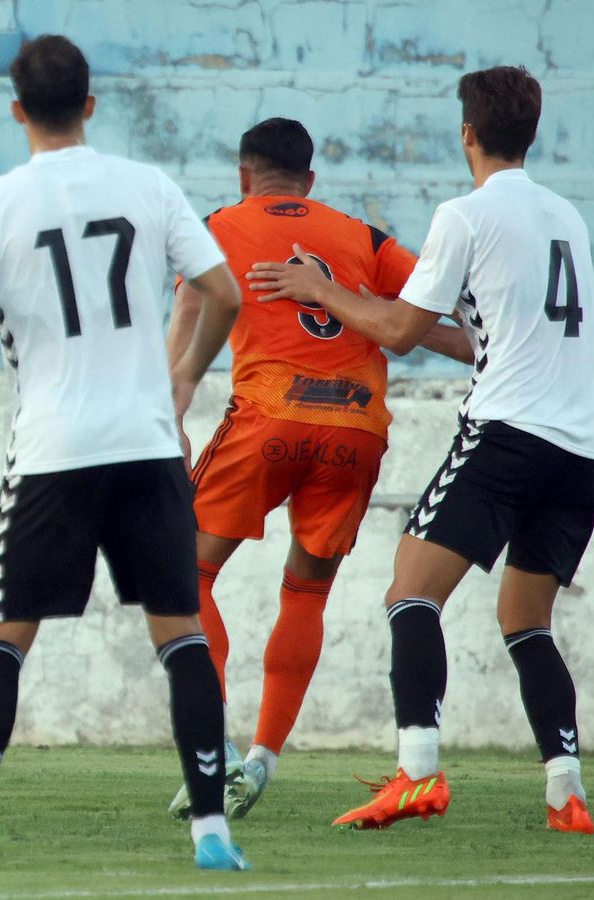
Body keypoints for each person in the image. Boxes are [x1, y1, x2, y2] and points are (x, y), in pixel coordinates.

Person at [0, 36, 249, 871]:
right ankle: (212, 833)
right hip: (145, 446)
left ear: (17, 110)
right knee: (181, 637)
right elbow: (221, 292)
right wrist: (183, 379)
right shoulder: (149, 185)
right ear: (91, 104)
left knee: (5, 637)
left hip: (54, 450)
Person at [248, 66, 594, 834]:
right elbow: (477, 338)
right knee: (526, 618)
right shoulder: (567, 217)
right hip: (579, 445)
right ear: (530, 133)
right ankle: (566, 792)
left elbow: (401, 332)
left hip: (507, 432)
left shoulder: (465, 215)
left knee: (410, 592)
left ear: (468, 134)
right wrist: (363, 304)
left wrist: (322, 290)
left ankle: (416, 775)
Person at [162, 117, 472, 820]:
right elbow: (441, 313)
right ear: (310, 181)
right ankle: (263, 760)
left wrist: (171, 414)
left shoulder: (218, 224)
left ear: (245, 176)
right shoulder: (359, 236)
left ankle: (214, 754)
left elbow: (189, 307)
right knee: (305, 593)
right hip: (356, 427)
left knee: (188, 574)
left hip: (270, 416)